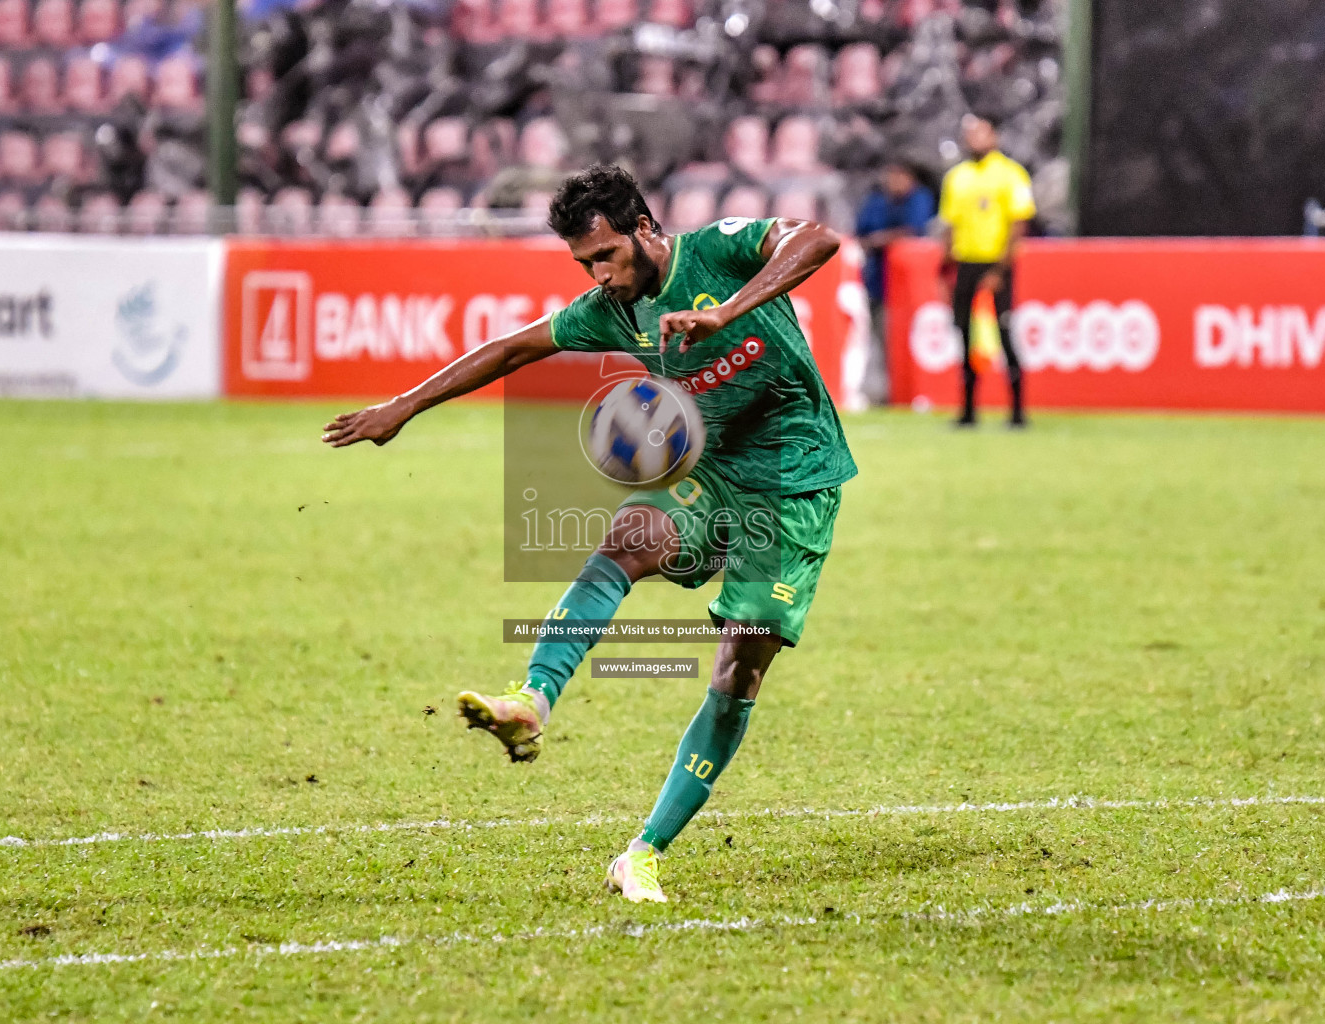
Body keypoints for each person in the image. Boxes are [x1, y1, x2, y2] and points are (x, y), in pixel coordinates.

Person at [322, 164, 857, 904]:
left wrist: (725, 314)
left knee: (738, 675)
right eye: (584, 264)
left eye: (605, 256)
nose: (599, 276)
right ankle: (532, 703)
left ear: (644, 229)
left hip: (796, 483)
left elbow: (819, 239)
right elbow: (513, 348)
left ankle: (643, 851)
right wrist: (402, 407)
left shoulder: (718, 250)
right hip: (714, 470)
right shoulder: (613, 309)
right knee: (628, 536)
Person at [938, 113, 1036, 427]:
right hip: (965, 264)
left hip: (995, 264)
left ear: (995, 136)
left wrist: (1000, 270)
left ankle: (1017, 411)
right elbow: (950, 225)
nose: (975, 138)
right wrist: (946, 269)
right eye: (971, 133)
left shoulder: (1010, 174)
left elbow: (1018, 225)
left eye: (982, 132)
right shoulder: (957, 177)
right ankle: (968, 411)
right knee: (965, 335)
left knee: (1005, 334)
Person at [854, 161, 936, 405]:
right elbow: (861, 234)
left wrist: (882, 239)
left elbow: (915, 231)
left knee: (902, 340)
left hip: (909, 288)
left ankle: (904, 392)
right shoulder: (877, 201)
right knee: (876, 339)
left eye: (899, 175)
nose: (893, 181)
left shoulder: (919, 199)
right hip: (877, 281)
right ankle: (882, 393)